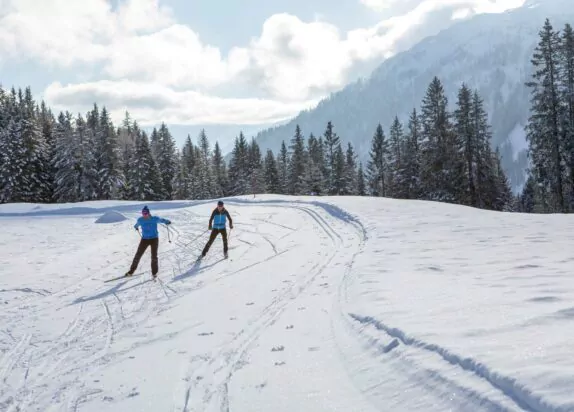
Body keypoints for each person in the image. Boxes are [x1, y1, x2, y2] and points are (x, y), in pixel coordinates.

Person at [126, 205, 171, 278]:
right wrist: (136, 227)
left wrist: (167, 221)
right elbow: (136, 225)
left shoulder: (154, 219)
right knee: (138, 255)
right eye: (143, 213)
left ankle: (154, 273)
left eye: (145, 213)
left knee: (154, 256)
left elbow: (162, 220)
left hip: (154, 239)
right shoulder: (140, 220)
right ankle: (131, 271)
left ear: (149, 213)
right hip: (144, 240)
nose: (144, 215)